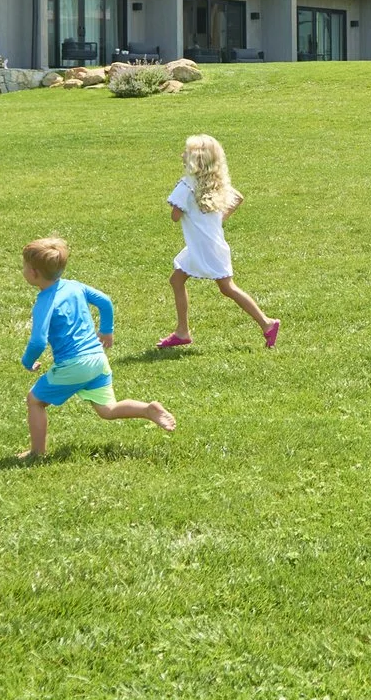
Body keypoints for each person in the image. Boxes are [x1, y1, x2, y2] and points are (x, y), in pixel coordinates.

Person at [19, 235, 174, 459]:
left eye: (24, 266)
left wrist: (27, 361)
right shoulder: (75, 287)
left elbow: (38, 341)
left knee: (35, 400)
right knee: (108, 410)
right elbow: (105, 301)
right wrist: (106, 329)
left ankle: (37, 452)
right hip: (97, 359)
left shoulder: (44, 301)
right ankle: (147, 409)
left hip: (74, 364)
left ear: (34, 273)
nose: (23, 270)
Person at [155, 134, 279, 350]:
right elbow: (237, 197)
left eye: (186, 153)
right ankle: (182, 331)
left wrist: (185, 210)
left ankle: (267, 323)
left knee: (227, 287)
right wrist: (216, 222)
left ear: (195, 160)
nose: (181, 155)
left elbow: (175, 216)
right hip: (208, 244)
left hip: (204, 248)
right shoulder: (215, 184)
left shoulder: (186, 185)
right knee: (176, 280)